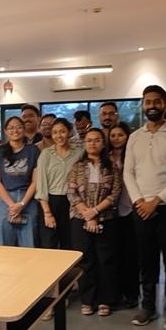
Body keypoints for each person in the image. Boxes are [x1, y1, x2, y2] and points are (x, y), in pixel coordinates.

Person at [122, 84, 166, 330]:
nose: (152, 106)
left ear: (165, 105)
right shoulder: (135, 137)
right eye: (147, 102)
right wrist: (139, 201)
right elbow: (128, 172)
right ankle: (148, 306)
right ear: (143, 105)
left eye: (156, 101)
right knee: (146, 259)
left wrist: (157, 201)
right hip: (140, 208)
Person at [67, 128, 121, 316]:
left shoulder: (112, 167)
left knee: (105, 260)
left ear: (103, 143)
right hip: (80, 219)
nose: (93, 143)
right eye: (89, 140)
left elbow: (115, 193)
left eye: (97, 140)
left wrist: (96, 212)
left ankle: (105, 300)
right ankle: (87, 300)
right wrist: (88, 214)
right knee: (86, 260)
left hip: (106, 218)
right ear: (85, 143)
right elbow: (71, 192)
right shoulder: (77, 166)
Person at [0, 114, 40, 246]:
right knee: (4, 244)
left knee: (29, 243)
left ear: (24, 129)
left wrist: (21, 204)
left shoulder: (33, 150)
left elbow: (36, 181)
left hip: (27, 199)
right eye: (11, 128)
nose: (15, 131)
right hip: (4, 200)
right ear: (5, 131)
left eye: (19, 127)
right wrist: (12, 206)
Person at [106, 121, 140, 309]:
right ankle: (115, 293)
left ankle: (132, 294)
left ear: (128, 136)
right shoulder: (106, 156)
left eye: (120, 135)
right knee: (114, 254)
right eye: (113, 135)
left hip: (131, 207)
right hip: (110, 210)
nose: (116, 138)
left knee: (130, 255)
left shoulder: (134, 154)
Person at [36, 116, 80, 251]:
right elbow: (41, 184)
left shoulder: (79, 153)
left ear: (69, 132)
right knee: (49, 243)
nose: (59, 136)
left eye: (62, 131)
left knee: (69, 243)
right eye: (55, 132)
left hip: (71, 202)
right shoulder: (46, 154)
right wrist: (47, 213)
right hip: (50, 201)